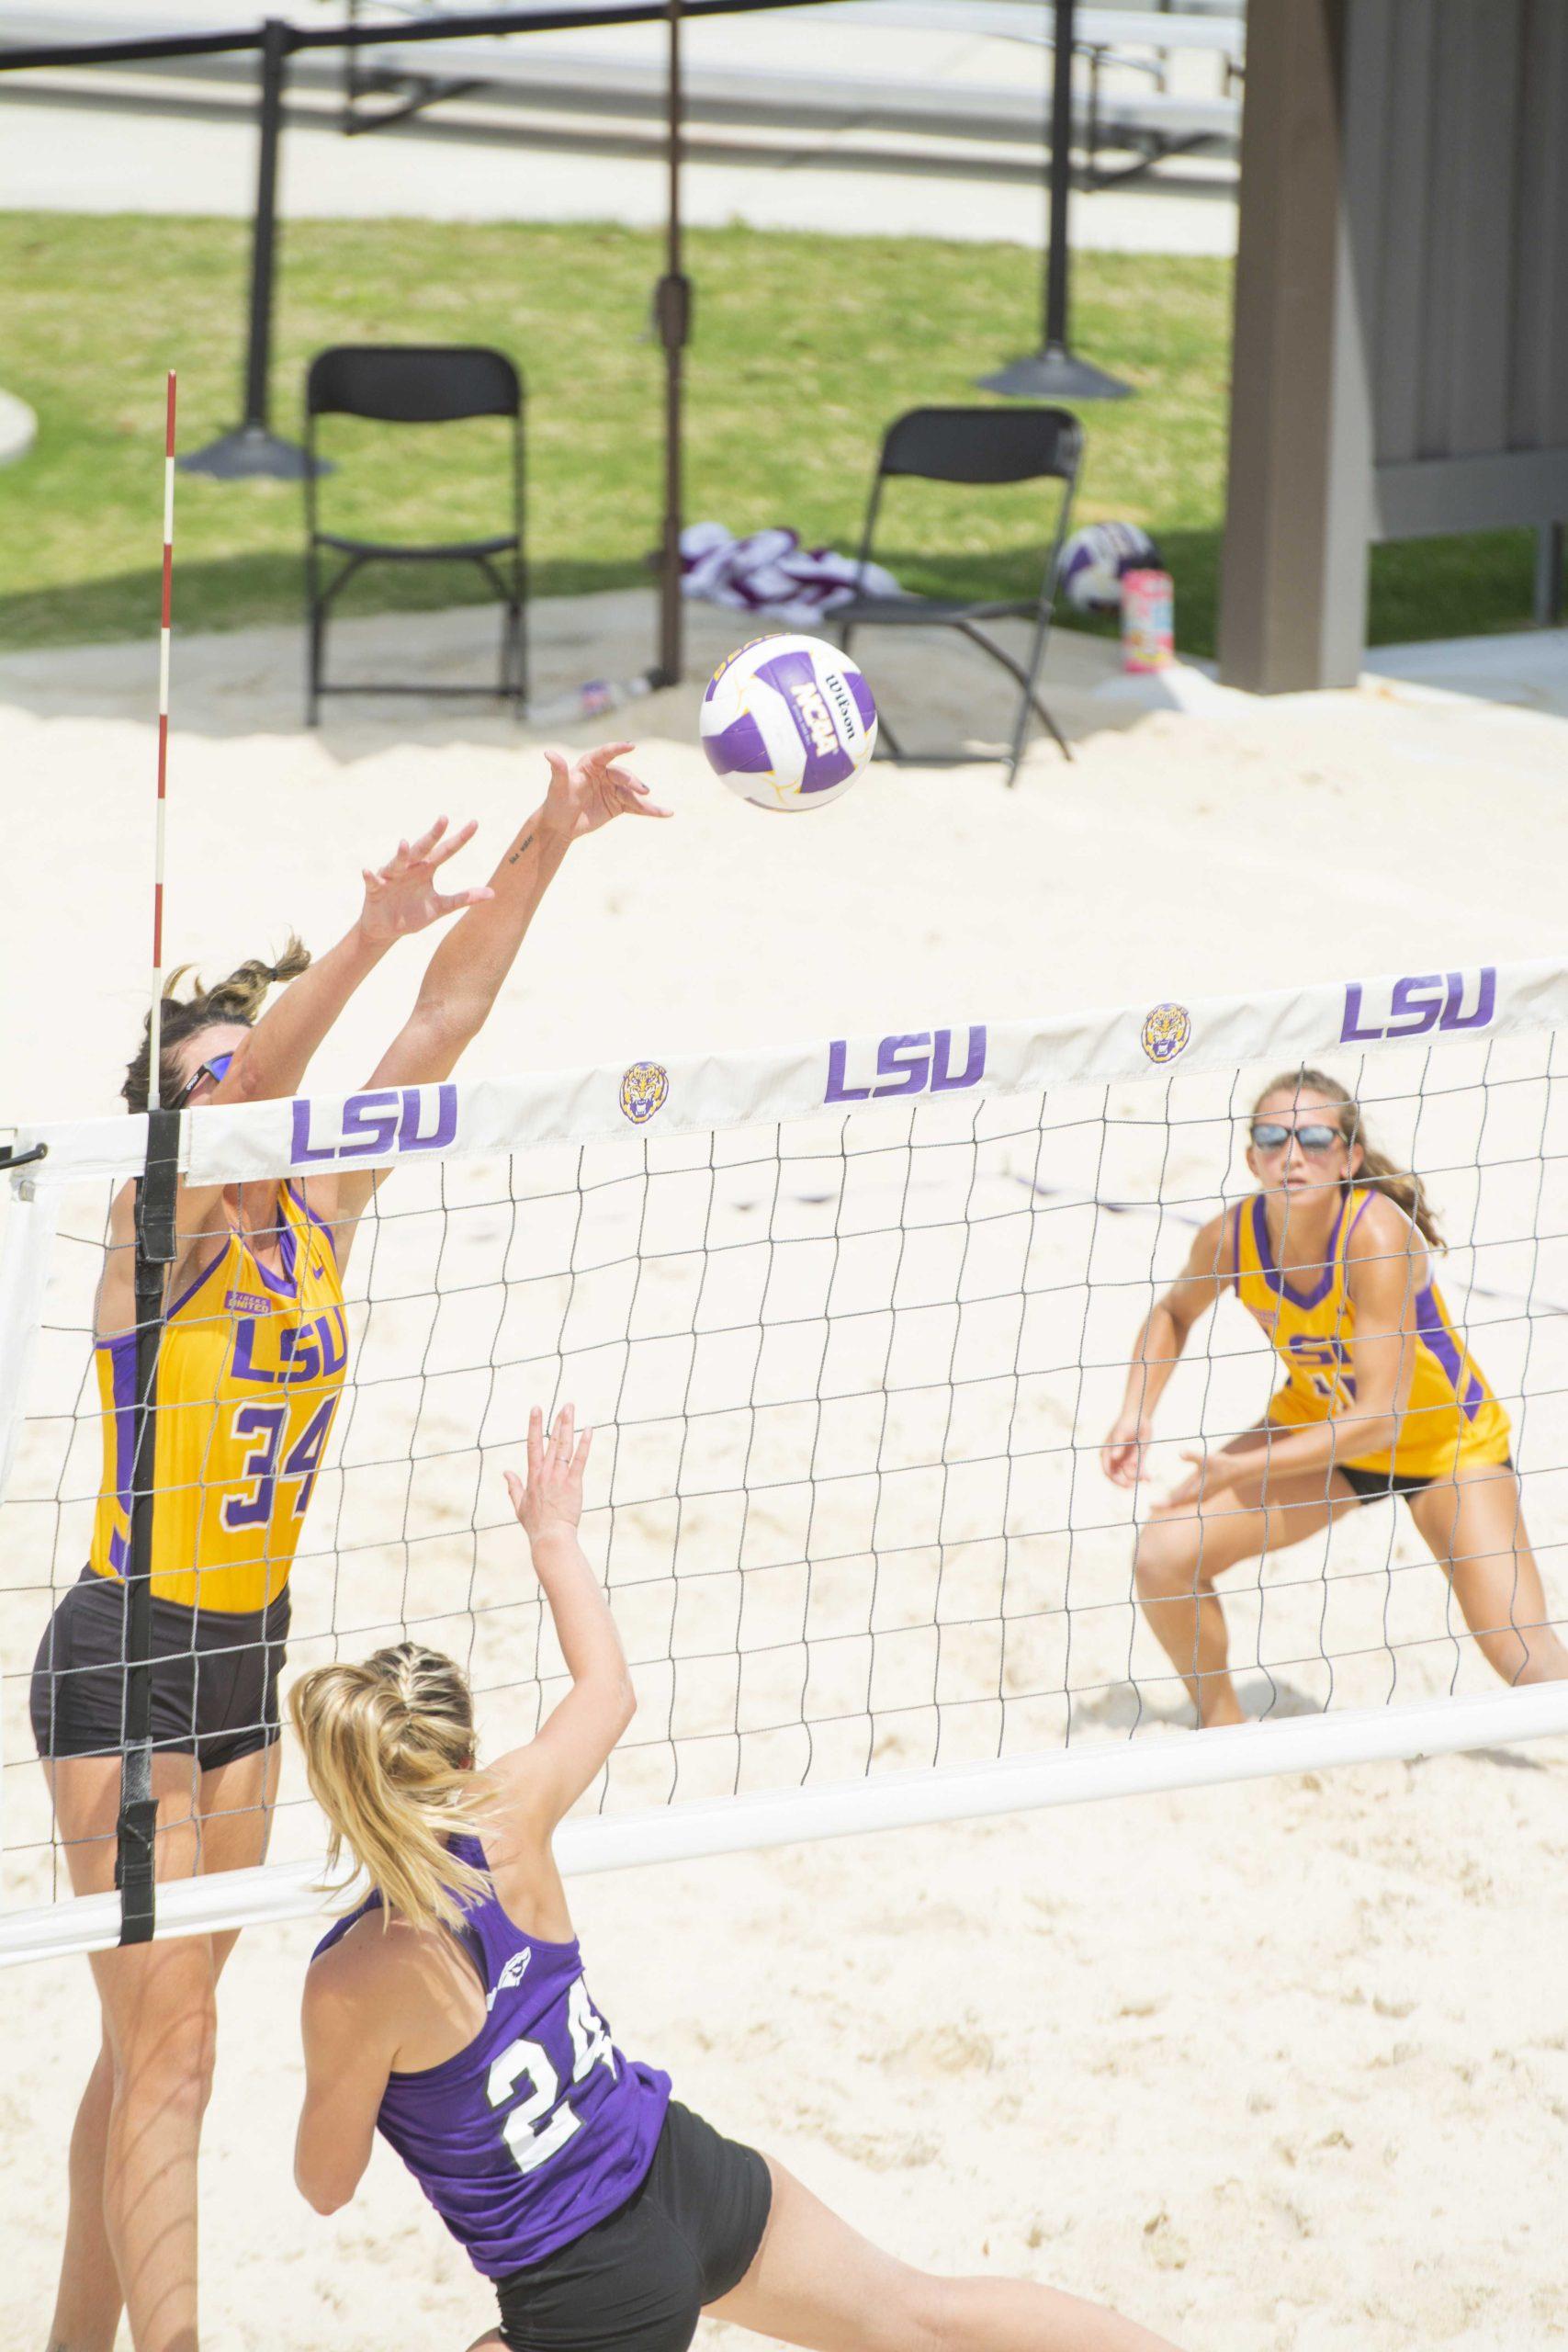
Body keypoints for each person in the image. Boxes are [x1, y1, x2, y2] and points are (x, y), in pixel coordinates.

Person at [32, 743, 670, 2352]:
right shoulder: (149, 1233)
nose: (235, 1093)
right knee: (171, 2052)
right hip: (125, 1653)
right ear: (164, 1112)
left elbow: (442, 1030)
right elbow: (249, 1101)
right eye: (205, 1078)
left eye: (247, 1065)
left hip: (245, 1665)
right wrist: (363, 934)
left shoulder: (313, 1222)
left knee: (150, 2049)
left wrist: (547, 836)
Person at [291, 1406, 1183, 2352]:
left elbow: (325, 2183)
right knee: (923, 2316)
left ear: (340, 1786)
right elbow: (609, 1689)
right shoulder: (516, 1808)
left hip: (581, 2290)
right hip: (685, 2174)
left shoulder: (352, 1977)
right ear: (458, 1744)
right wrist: (553, 1537)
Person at [1101, 1067, 1568, 1727]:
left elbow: (1378, 1420)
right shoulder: (1231, 1236)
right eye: (1272, 1137)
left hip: (1442, 1443)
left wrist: (1242, 1467)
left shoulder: (1374, 1237)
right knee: (1162, 1557)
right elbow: (1172, 1314)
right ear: (1250, 1158)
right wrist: (1135, 1411)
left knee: (1523, 1654)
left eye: (1314, 1139)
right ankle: (1221, 1726)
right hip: (1318, 1430)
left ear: (1348, 1157)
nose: (1291, 1155)